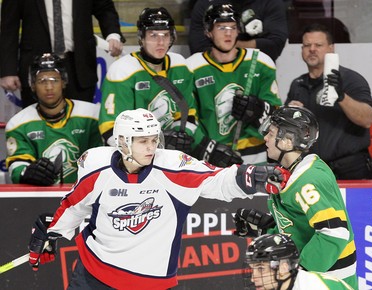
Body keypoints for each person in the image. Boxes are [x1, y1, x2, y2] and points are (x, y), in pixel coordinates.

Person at [27, 108, 290, 290]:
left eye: (154, 139)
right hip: (93, 275)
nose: (151, 147)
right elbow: (75, 205)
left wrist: (250, 175)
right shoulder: (95, 165)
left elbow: (216, 179)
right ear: (122, 141)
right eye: (142, 141)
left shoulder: (172, 167)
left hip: (150, 283)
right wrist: (53, 232)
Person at [99, 7, 241, 168]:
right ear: (142, 38)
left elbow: (188, 116)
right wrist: (157, 144)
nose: (160, 42)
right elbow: (110, 131)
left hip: (168, 159)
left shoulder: (179, 65)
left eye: (165, 35)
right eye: (153, 35)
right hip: (132, 163)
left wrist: (207, 149)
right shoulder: (123, 71)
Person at [233, 106, 358, 289]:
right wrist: (268, 230)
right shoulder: (290, 174)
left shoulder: (309, 179)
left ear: (287, 140)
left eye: (271, 132)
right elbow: (301, 227)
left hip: (328, 280)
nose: (266, 138)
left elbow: (334, 233)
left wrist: (299, 275)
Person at [187, 4, 282, 165]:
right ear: (208, 31)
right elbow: (187, 120)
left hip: (255, 157)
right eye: (221, 27)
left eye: (233, 27)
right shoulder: (191, 68)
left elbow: (278, 120)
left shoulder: (261, 62)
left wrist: (257, 110)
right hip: (210, 160)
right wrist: (209, 150)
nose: (228, 33)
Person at [285, 23, 372, 180]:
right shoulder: (297, 84)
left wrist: (341, 96)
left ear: (331, 48)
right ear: (302, 50)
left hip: (351, 170)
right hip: (312, 171)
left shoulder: (351, 79)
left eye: (318, 45)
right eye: (307, 45)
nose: (312, 49)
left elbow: (367, 120)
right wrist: (289, 115)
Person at [0, 0, 125, 108]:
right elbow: (9, 26)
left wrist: (113, 35)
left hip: (79, 68)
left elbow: (104, 8)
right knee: (37, 127)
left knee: (81, 125)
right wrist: (7, 71)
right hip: (36, 68)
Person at [5, 53, 103, 185]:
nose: (49, 87)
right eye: (42, 81)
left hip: (86, 196)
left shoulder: (92, 115)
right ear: (32, 85)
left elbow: (103, 161)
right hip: (41, 199)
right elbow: (17, 165)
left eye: (54, 80)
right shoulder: (18, 124)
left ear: (64, 82)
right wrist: (26, 172)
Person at [243, 233, 354, 290]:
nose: (253, 278)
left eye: (261, 269)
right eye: (253, 269)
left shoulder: (314, 287)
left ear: (284, 267)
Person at [188, 0, 288, 61]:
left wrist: (223, 44)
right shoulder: (206, 3)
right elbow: (198, 48)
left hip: (256, 74)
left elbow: (274, 46)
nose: (228, 33)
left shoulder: (271, 2)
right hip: (212, 76)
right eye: (222, 28)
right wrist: (253, 44)